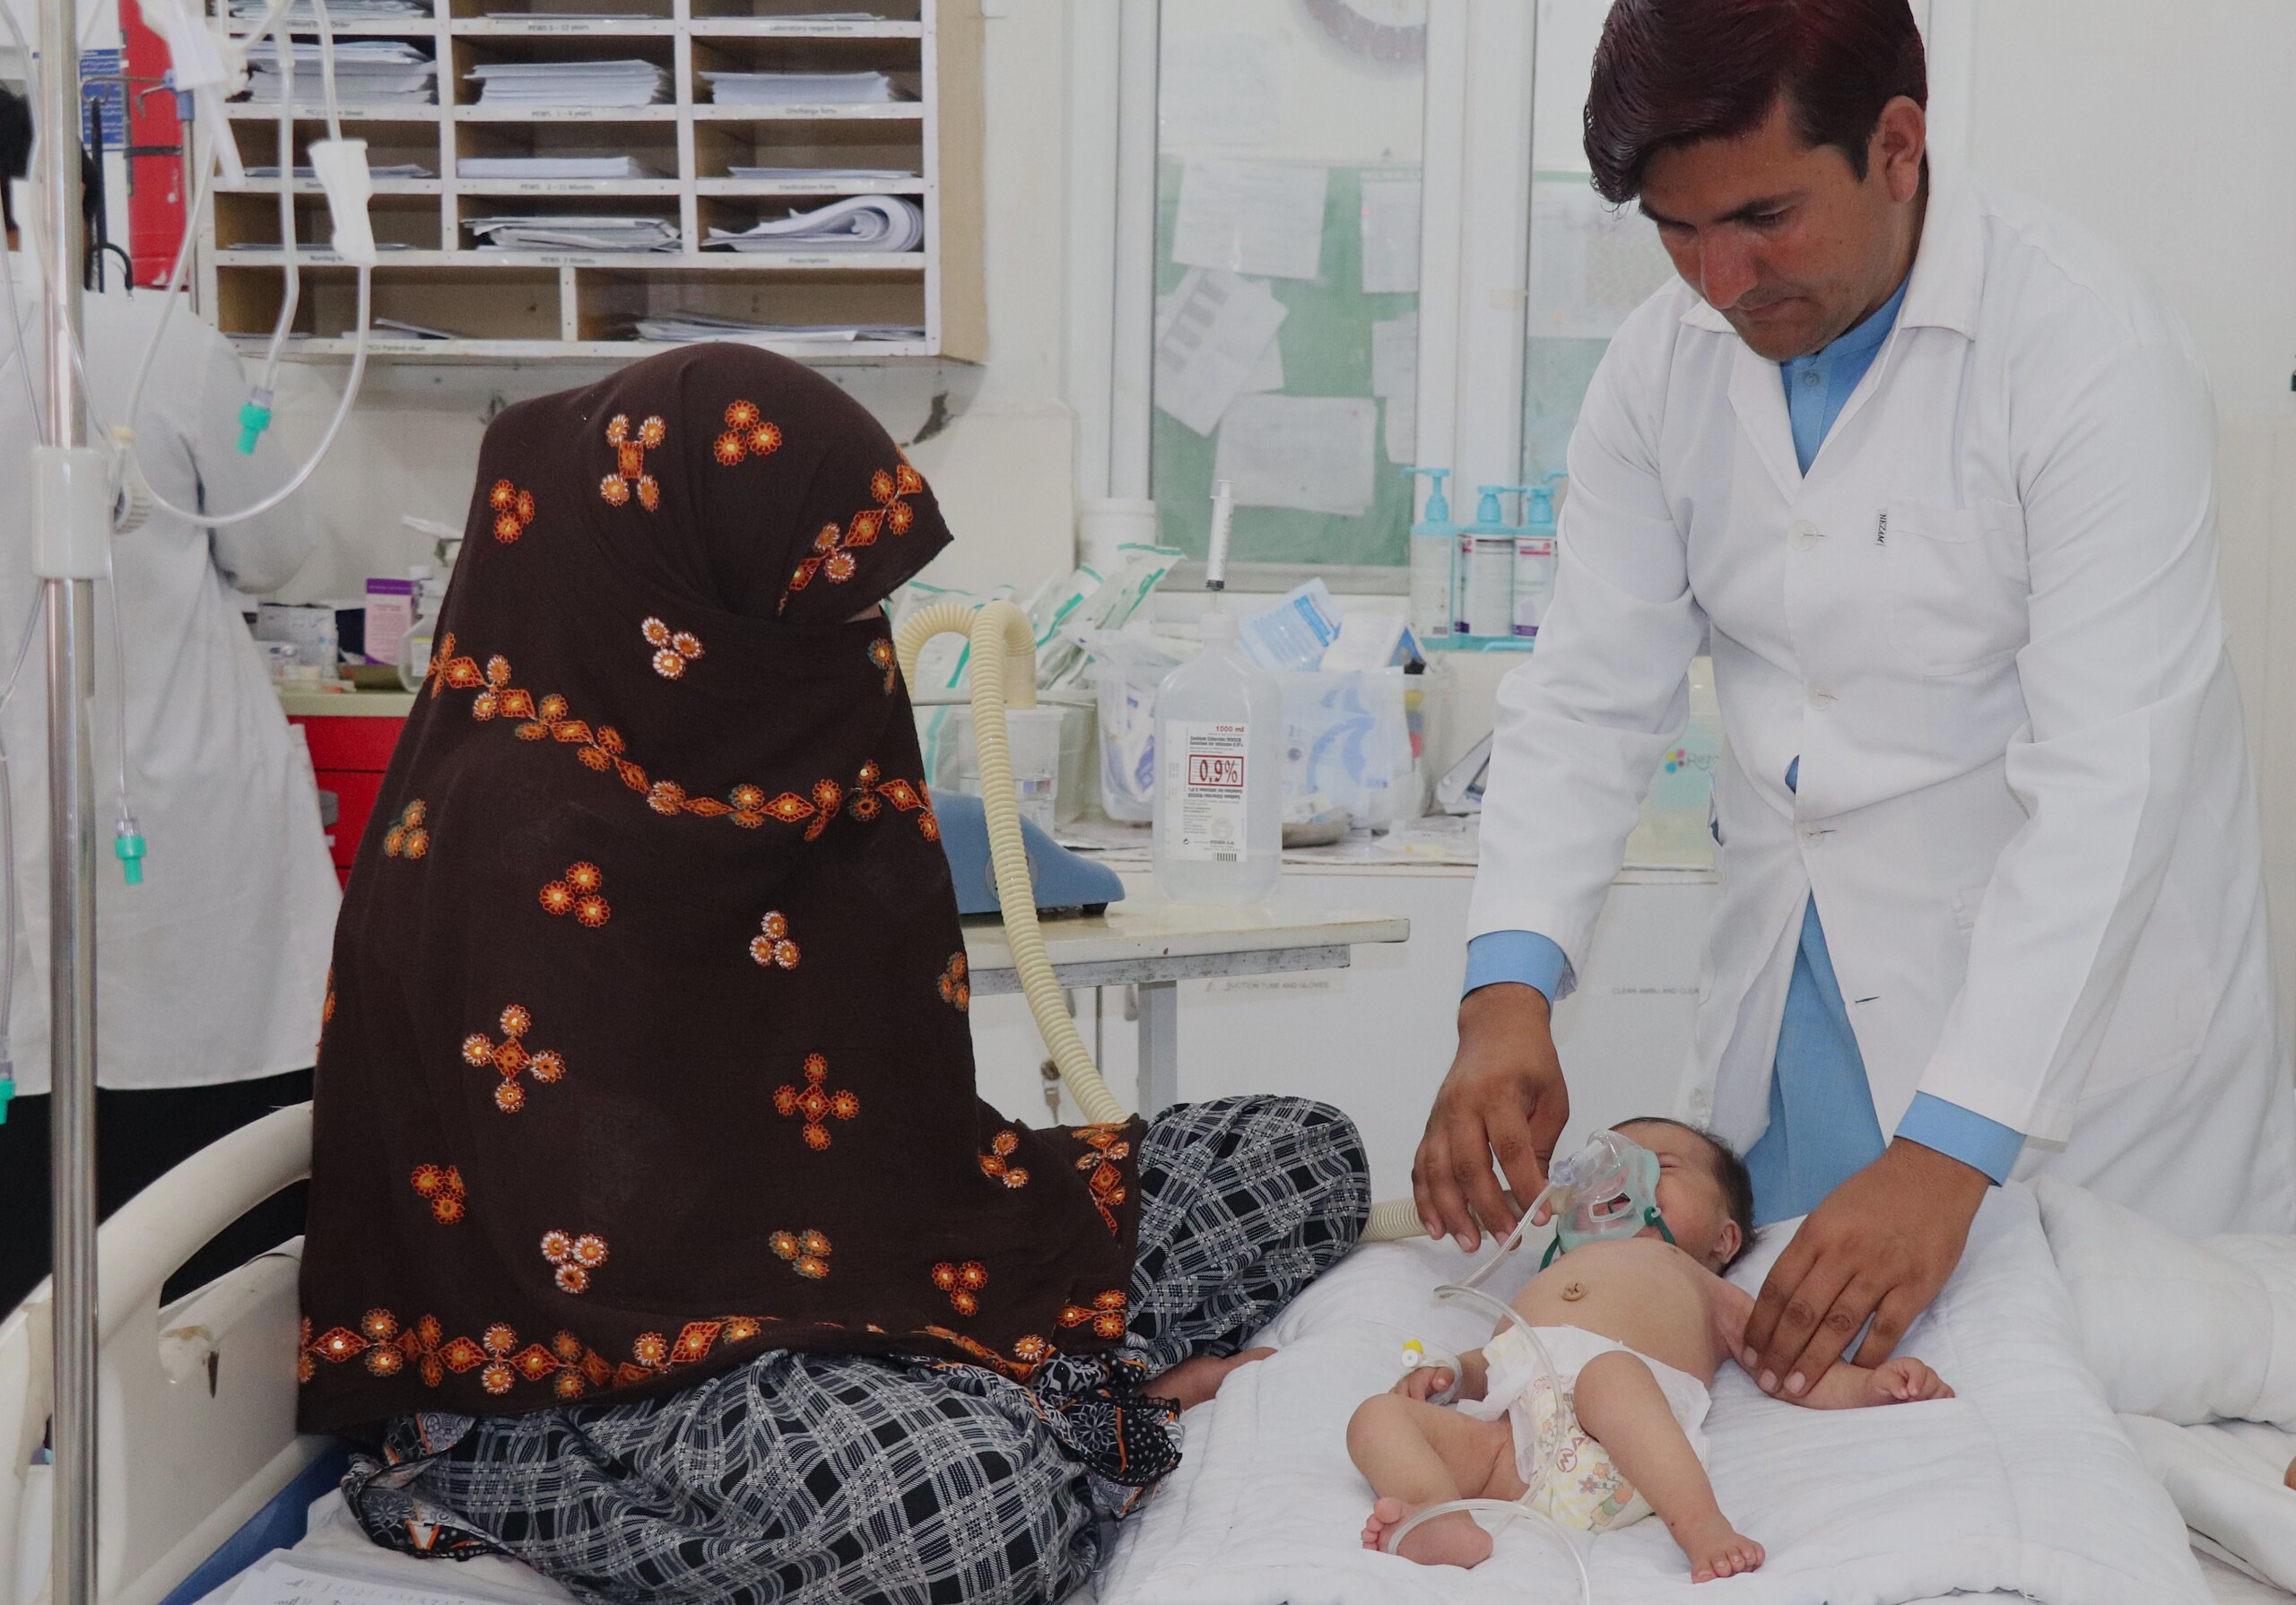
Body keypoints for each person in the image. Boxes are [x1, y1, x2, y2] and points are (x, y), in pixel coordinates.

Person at [297, 342, 1370, 1604]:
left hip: (875, 1251)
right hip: (610, 1365)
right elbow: (602, 1254)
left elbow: (899, 1132)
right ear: (692, 608)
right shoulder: (510, 833)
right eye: (819, 607)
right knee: (956, 1512)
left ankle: (1029, 1396)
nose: (860, 644)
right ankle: (473, 1481)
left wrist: (921, 1312)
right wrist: (927, 1358)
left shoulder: (796, 761)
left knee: (1303, 1159)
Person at [1416, 0, 2296, 1413]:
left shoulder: (2086, 348)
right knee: (1799, 1439)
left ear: (1898, 146)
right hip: (1801, 1010)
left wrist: (1953, 1148)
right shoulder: (1658, 369)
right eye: (1676, 230)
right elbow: (1588, 695)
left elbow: (2115, 783)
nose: (1719, 279)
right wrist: (1506, 994)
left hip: (2064, 1057)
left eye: (1763, 216)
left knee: (2089, 1452)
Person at [0, 86, 339, 1313]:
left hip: (100, 805)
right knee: (197, 1190)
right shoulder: (149, 340)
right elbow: (281, 547)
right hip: (167, 800)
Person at [1352, 1119, 1952, 1583]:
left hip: (1623, 1456)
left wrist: (1867, 1387)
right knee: (1374, 1417)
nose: (1618, 1177)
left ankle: (1701, 1526)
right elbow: (1509, 1355)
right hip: (1510, 1456)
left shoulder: (1694, 1279)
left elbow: (1785, 1361)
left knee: (1608, 1375)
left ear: (1725, 1237)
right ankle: (1436, 1517)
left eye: (1659, 1166)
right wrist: (1456, 1373)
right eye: (1601, 1168)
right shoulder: (1552, 1272)